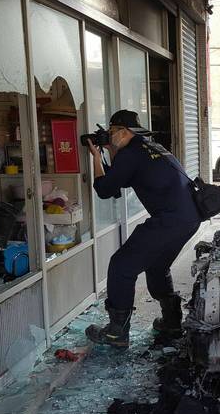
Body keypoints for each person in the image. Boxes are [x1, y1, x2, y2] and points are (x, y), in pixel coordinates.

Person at [84, 110, 201, 348]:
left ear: (123, 132)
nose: (109, 136)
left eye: (111, 132)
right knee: (156, 267)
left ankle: (117, 333)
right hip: (189, 218)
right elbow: (123, 181)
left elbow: (105, 190)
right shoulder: (152, 148)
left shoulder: (130, 154)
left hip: (170, 220)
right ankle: (171, 321)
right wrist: (109, 152)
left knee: (121, 266)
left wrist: (96, 157)